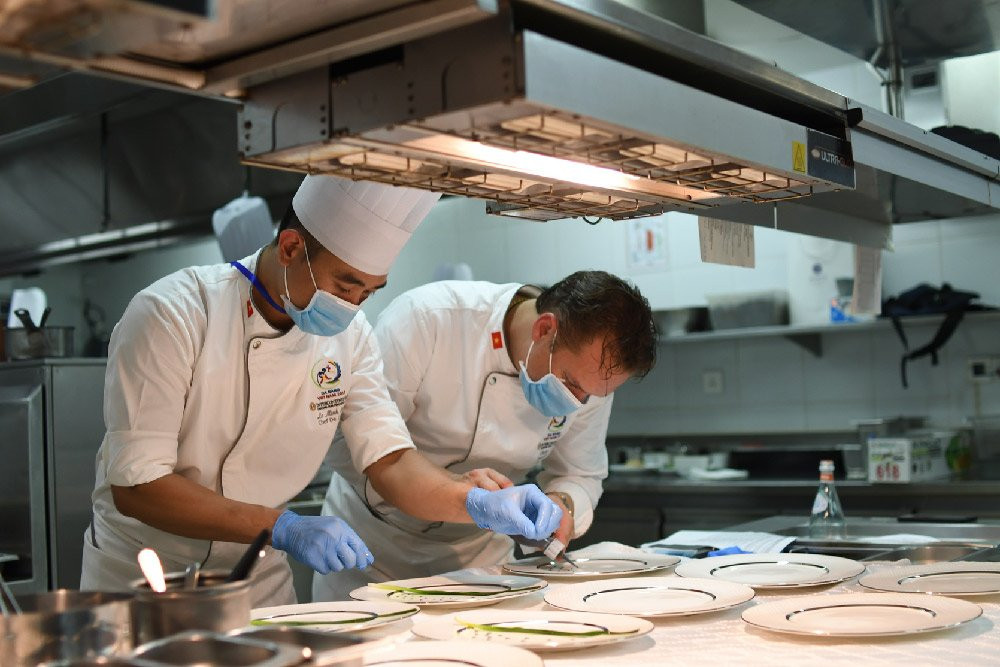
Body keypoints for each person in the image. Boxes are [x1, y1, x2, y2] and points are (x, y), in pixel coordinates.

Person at [81, 174, 562, 607]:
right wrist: (283, 526)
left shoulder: (352, 339)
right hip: (147, 575)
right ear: (290, 248)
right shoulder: (173, 314)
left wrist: (472, 501)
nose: (352, 307)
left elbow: (390, 461)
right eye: (344, 286)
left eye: (367, 294)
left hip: (256, 579)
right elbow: (138, 487)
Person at [313, 270, 657, 601]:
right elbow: (354, 444)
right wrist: (463, 494)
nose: (576, 402)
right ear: (544, 329)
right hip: (371, 549)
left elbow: (580, 474)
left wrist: (561, 506)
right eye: (570, 383)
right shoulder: (429, 319)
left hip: (480, 559)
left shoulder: (593, 378)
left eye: (590, 395)